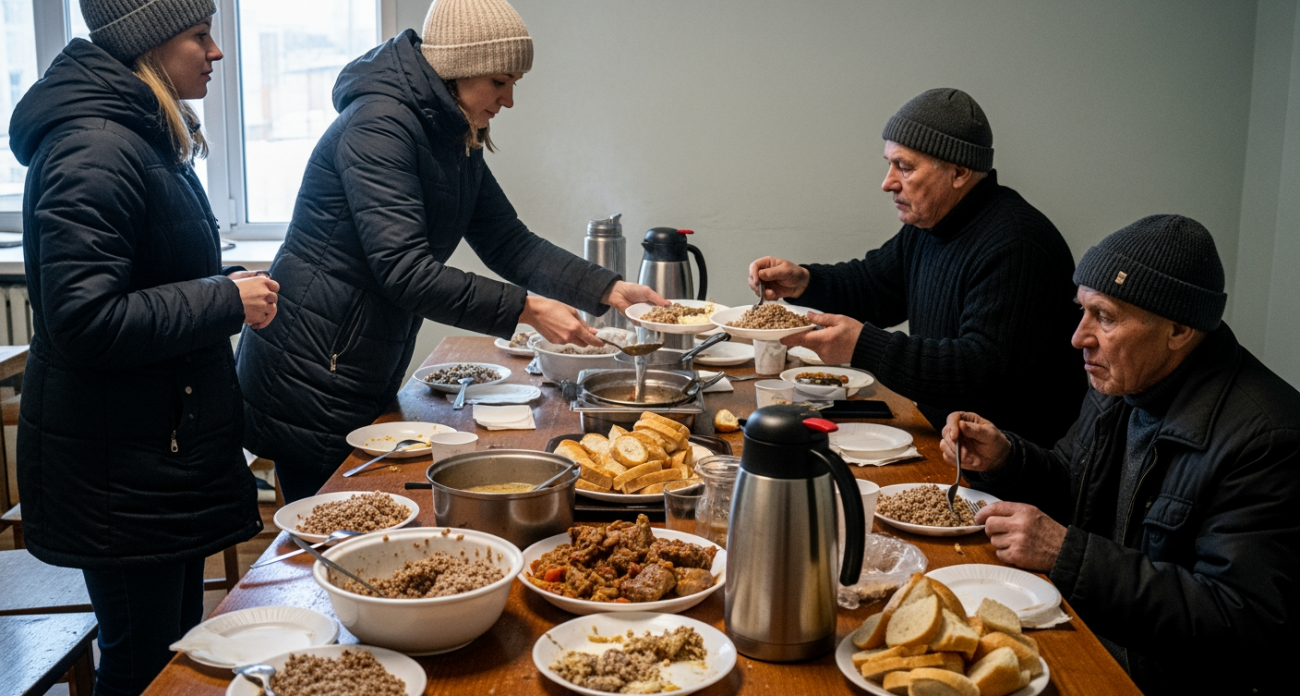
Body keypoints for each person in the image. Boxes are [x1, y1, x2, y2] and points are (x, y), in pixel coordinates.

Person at [235, 0, 663, 503]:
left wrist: (608, 288)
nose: (508, 101)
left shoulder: (448, 132)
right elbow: (405, 271)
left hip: (354, 360)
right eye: (499, 82)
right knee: (327, 546)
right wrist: (527, 307)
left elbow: (508, 240)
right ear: (459, 68)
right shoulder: (381, 125)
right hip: (308, 371)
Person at [9, 1, 278, 694]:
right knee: (140, 666)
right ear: (149, 46)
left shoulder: (137, 131)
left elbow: (146, 275)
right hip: (119, 470)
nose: (215, 52)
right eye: (198, 35)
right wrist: (224, 300)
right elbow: (84, 319)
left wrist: (223, 286)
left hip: (152, 457)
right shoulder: (92, 144)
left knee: (166, 654)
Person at [941, 215, 1300, 695]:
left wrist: (1069, 554)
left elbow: (1242, 620)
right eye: (1082, 310)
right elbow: (1072, 479)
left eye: (1105, 316)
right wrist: (1008, 458)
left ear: (1178, 329)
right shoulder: (1123, 379)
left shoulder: (1268, 438)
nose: (1079, 337)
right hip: (1088, 632)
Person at [748, 88, 1082, 447]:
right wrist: (804, 281)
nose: (887, 182)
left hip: (1004, 471)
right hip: (936, 434)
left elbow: (978, 369)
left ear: (958, 171)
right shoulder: (929, 224)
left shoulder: (1017, 246)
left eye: (904, 167)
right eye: (890, 164)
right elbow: (875, 285)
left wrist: (864, 346)